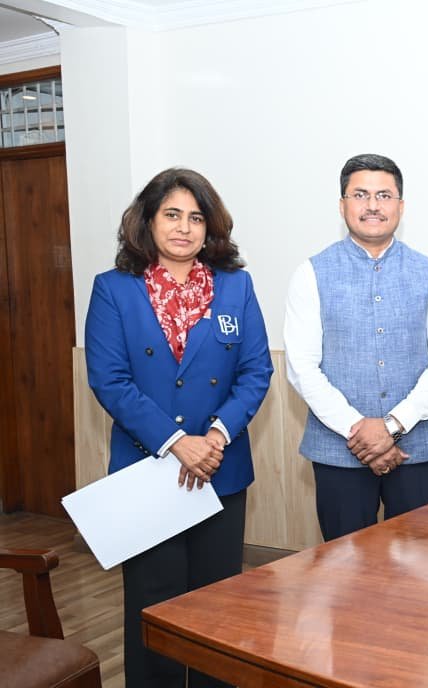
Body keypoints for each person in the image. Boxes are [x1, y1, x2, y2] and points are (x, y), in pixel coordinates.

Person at [84, 168, 273, 687]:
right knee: (154, 609)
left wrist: (214, 437)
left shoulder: (236, 285)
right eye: (172, 215)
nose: (184, 228)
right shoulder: (114, 289)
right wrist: (175, 443)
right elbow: (110, 380)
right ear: (147, 221)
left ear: (210, 228)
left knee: (218, 607)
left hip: (220, 468)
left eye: (196, 217)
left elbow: (256, 371)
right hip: (147, 471)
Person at [284, 153, 428, 541]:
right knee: (343, 568)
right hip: (338, 451)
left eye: (384, 195)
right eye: (360, 195)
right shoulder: (310, 273)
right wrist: (359, 430)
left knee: (419, 568)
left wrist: (393, 425)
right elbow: (301, 366)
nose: (372, 206)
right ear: (342, 205)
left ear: (400, 206)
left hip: (417, 449)